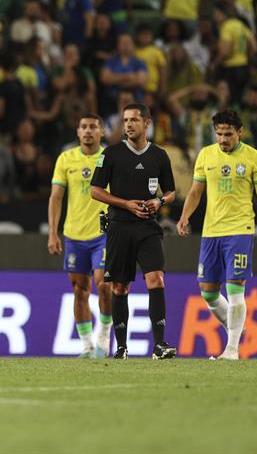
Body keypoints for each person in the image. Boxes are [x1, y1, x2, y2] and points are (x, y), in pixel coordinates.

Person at [176, 109, 257, 360]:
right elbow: (196, 192)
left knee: (235, 288)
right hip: (211, 231)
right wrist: (184, 217)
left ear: (240, 132)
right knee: (208, 291)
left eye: (228, 134)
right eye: (219, 134)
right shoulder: (206, 154)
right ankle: (236, 327)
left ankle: (232, 348)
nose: (222, 139)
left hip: (239, 230)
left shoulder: (254, 157)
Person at [90, 103, 177, 360]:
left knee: (156, 279)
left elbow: (171, 192)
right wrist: (125, 203)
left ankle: (159, 345)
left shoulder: (159, 155)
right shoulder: (112, 153)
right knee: (119, 286)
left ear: (146, 123)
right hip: (119, 227)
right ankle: (121, 347)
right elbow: (95, 190)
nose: (128, 125)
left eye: (133, 120)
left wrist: (159, 201)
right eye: (125, 120)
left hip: (148, 228)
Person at [48, 114, 112, 358]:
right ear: (77, 131)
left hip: (103, 233)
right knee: (79, 290)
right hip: (74, 235)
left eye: (93, 127)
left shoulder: (110, 158)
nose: (88, 131)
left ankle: (103, 338)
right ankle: (86, 345)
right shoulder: (66, 159)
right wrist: (53, 233)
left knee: (104, 285)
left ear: (102, 132)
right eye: (84, 127)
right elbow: (56, 197)